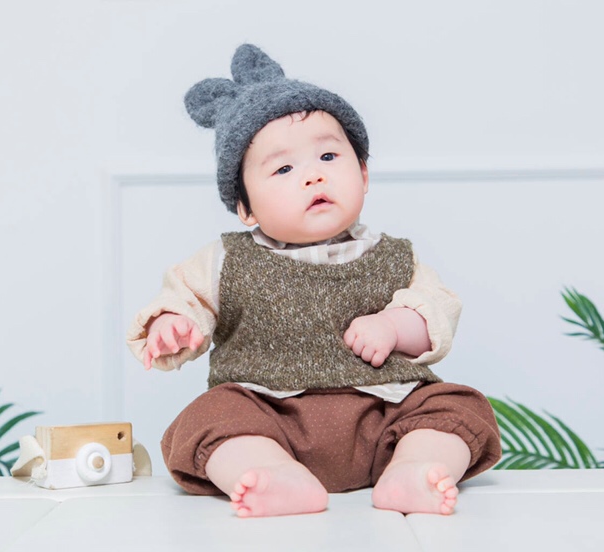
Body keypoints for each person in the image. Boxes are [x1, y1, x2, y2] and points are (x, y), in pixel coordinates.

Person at [126, 44, 501, 518]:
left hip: (385, 413)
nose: (313, 176)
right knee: (206, 418)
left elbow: (437, 312)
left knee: (459, 407)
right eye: (284, 168)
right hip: (269, 418)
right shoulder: (225, 259)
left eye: (328, 155)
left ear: (363, 174)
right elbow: (186, 297)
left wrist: (395, 325)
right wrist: (172, 324)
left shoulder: (395, 256)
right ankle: (270, 474)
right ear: (245, 208)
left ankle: (413, 467)